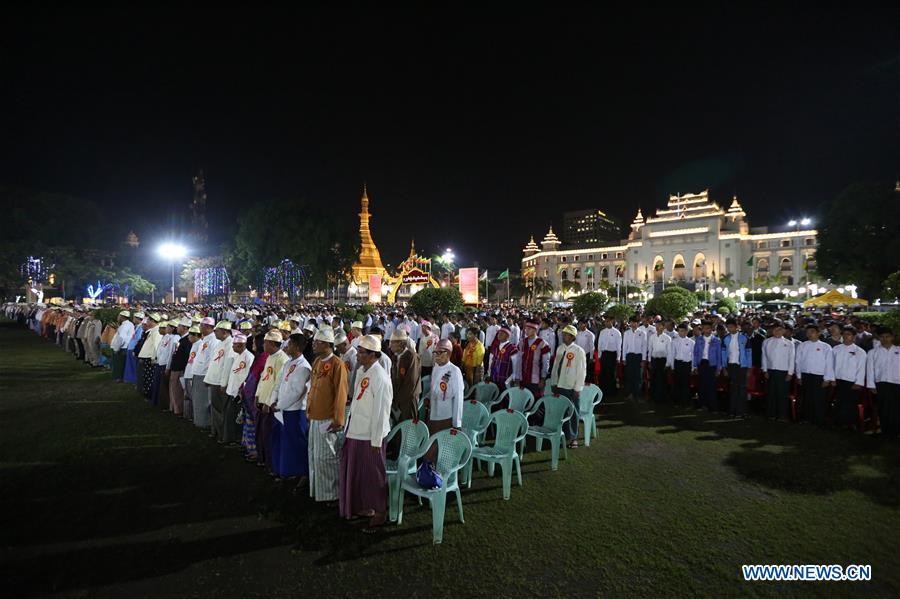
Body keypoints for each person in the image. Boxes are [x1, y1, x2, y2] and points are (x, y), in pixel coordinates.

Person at [340, 334, 393, 533]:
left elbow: (382, 412)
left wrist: (376, 440)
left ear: (373, 355)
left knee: (374, 474)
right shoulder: (363, 371)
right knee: (358, 473)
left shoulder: (381, 377)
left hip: (371, 436)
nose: (358, 356)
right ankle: (364, 506)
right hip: (356, 430)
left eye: (361, 353)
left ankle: (380, 512)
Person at [306, 326, 349, 505]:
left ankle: (333, 494)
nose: (314, 344)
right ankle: (320, 492)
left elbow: (341, 394)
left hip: (328, 419)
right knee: (315, 455)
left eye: (318, 342)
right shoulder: (317, 361)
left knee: (328, 458)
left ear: (328, 344)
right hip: (315, 416)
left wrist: (338, 419)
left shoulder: (337, 364)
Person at [270, 334, 312, 486]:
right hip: (283, 409)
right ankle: (289, 471)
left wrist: (278, 404)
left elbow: (297, 392)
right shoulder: (288, 363)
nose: (287, 346)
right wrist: (273, 400)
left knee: (297, 443)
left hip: (295, 411)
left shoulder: (304, 367)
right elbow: (279, 383)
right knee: (287, 443)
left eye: (290, 344)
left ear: (298, 347)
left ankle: (303, 474)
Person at [255, 331, 290, 469]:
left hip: (270, 405)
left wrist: (269, 402)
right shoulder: (269, 356)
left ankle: (272, 464)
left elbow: (278, 384)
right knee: (261, 434)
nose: (263, 345)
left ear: (272, 344)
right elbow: (264, 378)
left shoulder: (282, 359)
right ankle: (263, 459)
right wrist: (257, 395)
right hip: (262, 401)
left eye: (265, 342)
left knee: (270, 436)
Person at [426, 339, 464, 460]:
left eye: (439, 353)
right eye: (435, 352)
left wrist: (457, 422)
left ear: (447, 353)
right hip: (432, 413)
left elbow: (459, 398)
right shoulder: (436, 367)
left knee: (441, 449)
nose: (436, 356)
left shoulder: (454, 371)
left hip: (445, 416)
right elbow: (433, 389)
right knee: (430, 446)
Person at [550, 325, 586, 448]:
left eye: (565, 334)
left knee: (573, 412)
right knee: (562, 411)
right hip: (559, 384)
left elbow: (582, 371)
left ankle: (574, 437)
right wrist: (553, 382)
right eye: (563, 334)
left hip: (571, 386)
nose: (563, 336)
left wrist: (578, 388)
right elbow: (555, 367)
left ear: (572, 337)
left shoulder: (578, 351)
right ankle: (564, 435)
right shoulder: (560, 348)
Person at [795, 324, 834, 426]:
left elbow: (829, 364)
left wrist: (827, 379)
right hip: (806, 375)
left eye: (812, 332)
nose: (809, 334)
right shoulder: (802, 345)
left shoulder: (826, 347)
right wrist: (799, 376)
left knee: (819, 399)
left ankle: (819, 419)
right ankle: (806, 418)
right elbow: (798, 362)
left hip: (819, 376)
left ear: (818, 333)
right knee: (807, 398)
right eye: (807, 332)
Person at [204, 321, 235, 443]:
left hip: (220, 383)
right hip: (214, 380)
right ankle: (216, 431)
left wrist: (223, 383)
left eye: (217, 330)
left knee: (220, 410)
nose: (215, 332)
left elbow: (227, 366)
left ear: (225, 332)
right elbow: (214, 363)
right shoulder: (221, 343)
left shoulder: (230, 344)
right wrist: (208, 378)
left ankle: (222, 435)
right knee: (215, 409)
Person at [866, 327, 899, 438]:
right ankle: (886, 430)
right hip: (881, 383)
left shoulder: (898, 351)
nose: (885, 339)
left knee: (896, 407)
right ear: (879, 338)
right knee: (884, 407)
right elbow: (870, 369)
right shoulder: (873, 352)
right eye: (882, 337)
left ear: (892, 337)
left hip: (897, 383)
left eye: (887, 336)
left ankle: (896, 430)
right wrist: (871, 385)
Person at [224, 333, 254, 445]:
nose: (232, 347)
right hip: (232, 391)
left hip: (239, 393)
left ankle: (236, 439)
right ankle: (232, 438)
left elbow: (248, 378)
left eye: (235, 345)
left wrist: (241, 392)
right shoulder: (238, 355)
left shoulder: (249, 357)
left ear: (241, 345)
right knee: (230, 416)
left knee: (236, 417)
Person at [762, 323, 795, 420]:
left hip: (783, 372)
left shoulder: (789, 343)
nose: (777, 332)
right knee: (771, 393)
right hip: (771, 371)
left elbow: (791, 359)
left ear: (784, 331)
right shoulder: (767, 342)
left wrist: (790, 373)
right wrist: (765, 370)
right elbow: (764, 357)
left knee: (782, 394)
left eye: (780, 329)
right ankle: (771, 414)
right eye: (775, 330)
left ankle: (782, 415)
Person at [721, 319, 752, 418]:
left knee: (742, 389)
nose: (730, 329)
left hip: (742, 367)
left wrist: (749, 368)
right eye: (728, 327)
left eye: (731, 327)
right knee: (732, 389)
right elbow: (723, 354)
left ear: (736, 326)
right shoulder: (725, 338)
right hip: (731, 366)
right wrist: (724, 368)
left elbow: (749, 353)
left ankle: (742, 411)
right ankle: (732, 411)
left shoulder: (744, 337)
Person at [389, 328, 421, 422]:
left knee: (408, 427)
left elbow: (411, 383)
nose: (390, 346)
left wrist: (398, 398)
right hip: (396, 399)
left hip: (408, 400)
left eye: (393, 342)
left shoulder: (412, 357)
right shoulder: (395, 356)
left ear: (401, 343)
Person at [191, 317, 217, 429]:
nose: (200, 327)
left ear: (207, 327)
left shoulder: (213, 341)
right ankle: (200, 422)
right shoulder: (205, 339)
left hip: (204, 375)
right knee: (198, 400)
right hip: (198, 372)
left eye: (201, 325)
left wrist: (208, 376)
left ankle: (205, 423)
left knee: (204, 402)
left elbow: (212, 360)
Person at [692, 321, 723, 411]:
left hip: (712, 364)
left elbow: (719, 355)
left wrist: (718, 368)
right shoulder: (699, 340)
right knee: (702, 385)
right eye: (705, 328)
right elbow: (696, 353)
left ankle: (712, 406)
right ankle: (702, 404)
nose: (706, 330)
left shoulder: (716, 340)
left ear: (711, 329)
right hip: (702, 363)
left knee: (711, 386)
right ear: (702, 329)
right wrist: (695, 366)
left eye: (708, 328)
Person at [518, 319, 551, 402]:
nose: (526, 331)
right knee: (523, 400)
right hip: (523, 378)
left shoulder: (542, 344)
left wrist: (543, 379)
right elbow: (518, 361)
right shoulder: (522, 342)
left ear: (535, 330)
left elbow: (545, 363)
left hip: (536, 379)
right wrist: (517, 376)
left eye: (529, 329)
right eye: (526, 328)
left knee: (535, 401)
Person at [167, 318, 192, 415]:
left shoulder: (187, 340)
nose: (177, 328)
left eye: (179, 326)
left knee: (178, 391)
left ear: (185, 328)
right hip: (176, 368)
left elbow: (186, 357)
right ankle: (175, 408)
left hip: (180, 369)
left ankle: (179, 410)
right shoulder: (182, 339)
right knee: (174, 389)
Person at [667, 323, 694, 406]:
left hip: (687, 364)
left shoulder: (691, 342)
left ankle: (685, 401)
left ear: (686, 332)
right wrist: (672, 366)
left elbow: (693, 355)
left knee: (685, 383)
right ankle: (677, 401)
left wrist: (693, 367)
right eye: (679, 331)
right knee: (677, 383)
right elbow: (672, 353)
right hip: (678, 363)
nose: (680, 333)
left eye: (682, 331)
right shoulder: (674, 341)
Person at [621, 316, 647, 401]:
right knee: (629, 376)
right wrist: (624, 358)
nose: (633, 324)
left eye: (635, 322)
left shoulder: (642, 333)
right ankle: (629, 394)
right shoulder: (626, 333)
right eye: (631, 322)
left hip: (638, 357)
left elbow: (644, 347)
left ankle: (637, 394)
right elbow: (624, 346)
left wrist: (643, 359)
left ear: (638, 323)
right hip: (629, 356)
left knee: (638, 376)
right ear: (630, 323)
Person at [487, 326, 520, 392]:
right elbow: (491, 362)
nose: (499, 335)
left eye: (502, 333)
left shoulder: (513, 349)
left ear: (507, 336)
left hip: (506, 380)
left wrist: (511, 379)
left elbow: (516, 366)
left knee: (504, 398)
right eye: (499, 333)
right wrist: (489, 373)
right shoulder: (496, 347)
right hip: (494, 377)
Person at [645, 320, 671, 403]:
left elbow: (669, 352)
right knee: (653, 379)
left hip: (663, 361)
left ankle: (661, 397)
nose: (657, 327)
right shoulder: (652, 337)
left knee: (662, 380)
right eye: (656, 325)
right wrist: (649, 361)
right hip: (654, 360)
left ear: (663, 327)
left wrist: (667, 364)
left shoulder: (667, 338)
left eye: (659, 325)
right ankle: (653, 396)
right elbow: (650, 349)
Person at [597, 316, 622, 399]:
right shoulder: (602, 332)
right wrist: (599, 355)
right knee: (603, 373)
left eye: (608, 321)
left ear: (612, 322)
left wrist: (618, 357)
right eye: (605, 321)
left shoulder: (617, 332)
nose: (606, 323)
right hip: (604, 354)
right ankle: (603, 391)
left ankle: (611, 391)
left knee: (611, 373)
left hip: (612, 355)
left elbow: (619, 346)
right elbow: (599, 344)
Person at [109, 310, 133, 381]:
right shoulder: (129, 324)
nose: (117, 317)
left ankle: (119, 378)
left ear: (122, 317)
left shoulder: (124, 326)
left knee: (119, 364)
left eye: (119, 316)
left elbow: (121, 338)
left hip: (121, 348)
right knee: (122, 364)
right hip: (124, 348)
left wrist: (116, 349)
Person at [575, 320, 596, 385]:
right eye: (579, 324)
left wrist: (591, 357)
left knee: (586, 371)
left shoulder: (590, 334)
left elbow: (592, 346)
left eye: (581, 324)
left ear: (585, 324)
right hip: (578, 355)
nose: (580, 326)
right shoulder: (577, 333)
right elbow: (575, 344)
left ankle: (587, 385)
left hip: (587, 355)